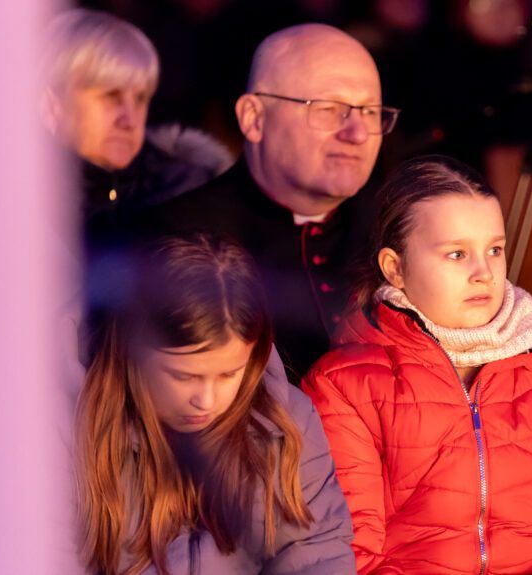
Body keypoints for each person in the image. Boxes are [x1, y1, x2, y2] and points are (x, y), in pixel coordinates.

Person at [302, 156, 532, 574]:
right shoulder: (343, 385)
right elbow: (349, 551)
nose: (483, 273)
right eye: (456, 254)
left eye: (495, 250)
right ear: (395, 268)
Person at [74, 234, 355, 574]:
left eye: (228, 374)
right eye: (183, 376)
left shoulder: (285, 421)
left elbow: (315, 551)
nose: (205, 400)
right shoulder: (68, 425)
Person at [142, 23, 398, 383]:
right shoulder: (171, 237)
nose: (356, 133)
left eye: (370, 112)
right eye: (328, 108)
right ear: (254, 118)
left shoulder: (399, 225)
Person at [39, 8, 233, 255]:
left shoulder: (185, 195)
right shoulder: (7, 210)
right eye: (111, 95)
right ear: (51, 105)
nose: (129, 120)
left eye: (141, 98)